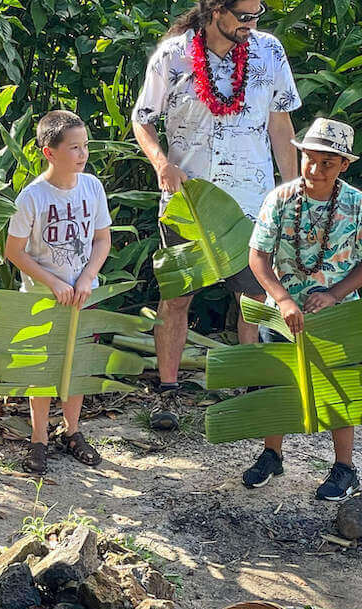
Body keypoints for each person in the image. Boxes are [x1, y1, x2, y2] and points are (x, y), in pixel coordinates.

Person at [132, 0, 301, 430]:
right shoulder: (173, 55)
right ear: (213, 11)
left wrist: (293, 190)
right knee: (176, 297)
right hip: (188, 203)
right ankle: (167, 394)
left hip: (252, 200)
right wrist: (160, 163)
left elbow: (281, 127)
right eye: (243, 16)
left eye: (256, 14)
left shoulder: (270, 51)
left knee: (255, 298)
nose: (251, 23)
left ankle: (248, 389)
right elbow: (142, 120)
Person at [242, 118, 362, 500]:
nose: (315, 169)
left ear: (344, 164)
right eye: (309, 159)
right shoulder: (280, 198)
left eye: (327, 162)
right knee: (276, 382)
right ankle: (271, 454)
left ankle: (344, 467)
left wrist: (336, 294)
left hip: (338, 313)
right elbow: (258, 256)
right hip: (283, 311)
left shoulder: (356, 204)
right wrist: (282, 299)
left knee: (338, 388)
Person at [3, 110, 113, 474]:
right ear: (50, 152)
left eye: (85, 147)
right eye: (74, 148)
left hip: (83, 295)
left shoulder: (92, 187)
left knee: (76, 364)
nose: (82, 155)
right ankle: (38, 438)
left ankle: (73, 431)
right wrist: (52, 282)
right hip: (42, 297)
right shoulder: (33, 196)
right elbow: (14, 251)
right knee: (43, 368)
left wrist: (87, 278)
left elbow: (101, 239)